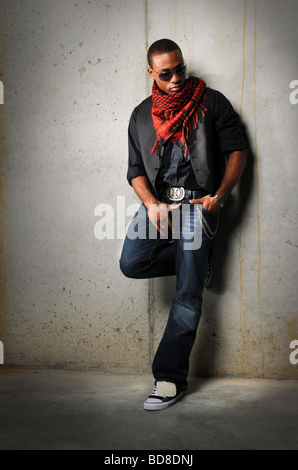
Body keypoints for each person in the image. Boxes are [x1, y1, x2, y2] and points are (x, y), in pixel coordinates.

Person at [120, 39, 247, 411]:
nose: (175, 78)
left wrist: (219, 196)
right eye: (165, 73)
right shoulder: (142, 115)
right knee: (131, 263)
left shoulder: (212, 102)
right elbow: (135, 170)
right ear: (151, 74)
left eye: (180, 69)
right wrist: (151, 204)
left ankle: (169, 377)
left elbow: (237, 150)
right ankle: (197, 263)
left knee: (187, 293)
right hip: (158, 204)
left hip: (197, 204)